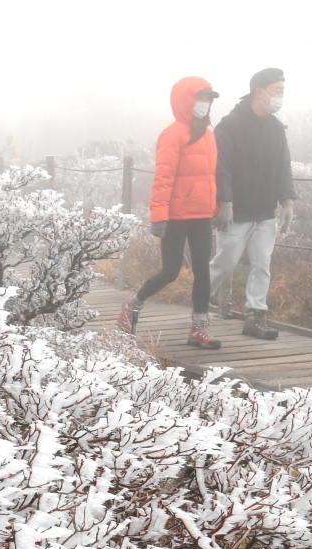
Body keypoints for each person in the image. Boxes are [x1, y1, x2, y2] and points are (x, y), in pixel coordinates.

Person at [118, 77, 222, 348]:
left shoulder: (209, 135)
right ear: (186, 100)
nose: (206, 104)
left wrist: (218, 207)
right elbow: (163, 178)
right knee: (171, 271)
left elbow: (212, 176)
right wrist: (159, 215)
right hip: (176, 216)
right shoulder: (172, 134)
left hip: (201, 214)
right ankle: (132, 305)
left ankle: (198, 326)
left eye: (209, 99)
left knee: (202, 270)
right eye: (201, 98)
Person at [209, 68, 297, 340]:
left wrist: (287, 199)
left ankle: (256, 316)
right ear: (260, 92)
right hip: (236, 211)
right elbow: (220, 167)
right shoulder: (230, 125)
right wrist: (225, 201)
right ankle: (198, 306)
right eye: (278, 90)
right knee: (225, 263)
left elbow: (283, 165)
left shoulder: (275, 127)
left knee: (262, 264)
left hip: (264, 211)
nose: (282, 95)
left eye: (283, 90)